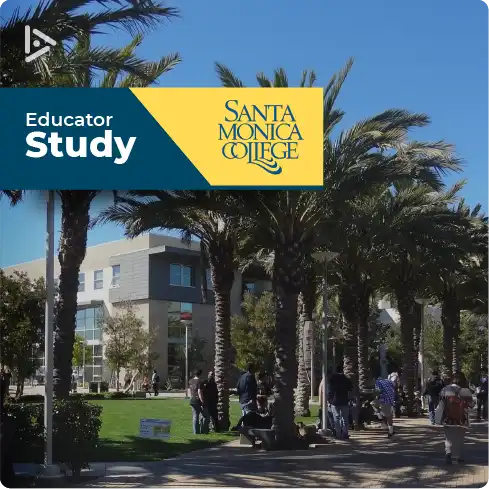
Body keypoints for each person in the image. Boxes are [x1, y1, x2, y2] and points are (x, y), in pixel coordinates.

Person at [437, 371, 474, 465]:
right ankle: (456, 458)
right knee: (459, 438)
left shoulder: (445, 389)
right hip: (462, 418)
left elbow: (441, 402)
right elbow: (472, 404)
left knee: (448, 437)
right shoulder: (465, 390)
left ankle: (448, 453)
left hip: (447, 417)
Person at [328, 364, 353, 439]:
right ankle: (345, 433)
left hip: (335, 401)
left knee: (337, 418)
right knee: (345, 418)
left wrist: (329, 400)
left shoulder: (332, 379)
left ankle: (338, 433)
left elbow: (330, 390)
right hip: (344, 400)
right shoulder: (345, 379)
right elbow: (351, 388)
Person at [375, 369, 396, 438]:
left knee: (388, 415)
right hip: (390, 399)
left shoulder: (378, 382)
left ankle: (388, 428)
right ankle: (389, 428)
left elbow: (378, 391)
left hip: (384, 400)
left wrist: (375, 395)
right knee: (388, 415)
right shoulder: (388, 381)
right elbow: (394, 386)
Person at [188, 370, 209, 434]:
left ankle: (196, 431)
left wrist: (191, 397)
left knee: (195, 416)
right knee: (205, 415)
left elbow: (189, 390)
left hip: (192, 400)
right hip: (198, 400)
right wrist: (202, 401)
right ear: (200, 374)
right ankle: (204, 430)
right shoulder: (200, 381)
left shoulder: (190, 381)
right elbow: (199, 392)